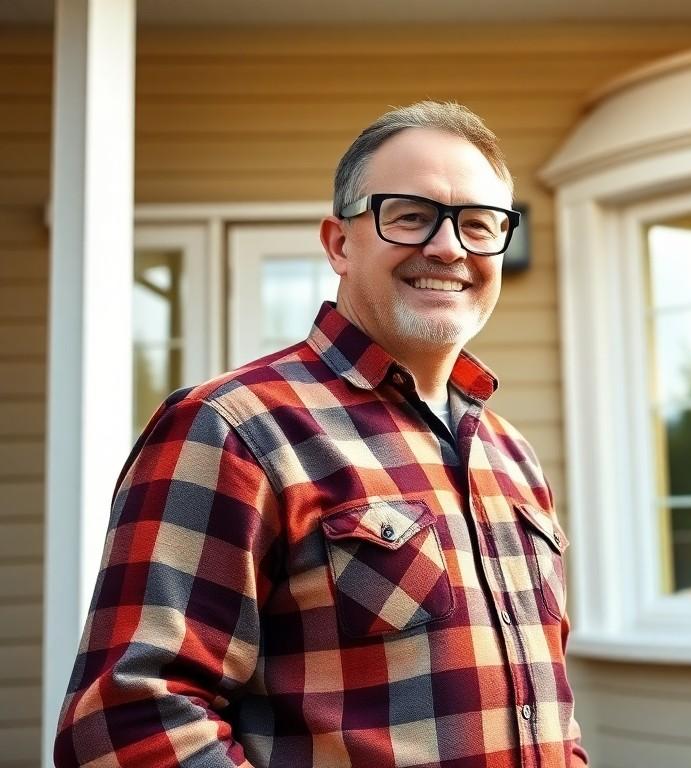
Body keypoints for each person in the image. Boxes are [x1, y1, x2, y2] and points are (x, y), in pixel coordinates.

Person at [54, 101, 586, 767]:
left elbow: (549, 711)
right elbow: (128, 724)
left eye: (479, 224)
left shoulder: (510, 454)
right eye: (410, 216)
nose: (450, 247)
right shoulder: (233, 429)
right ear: (339, 243)